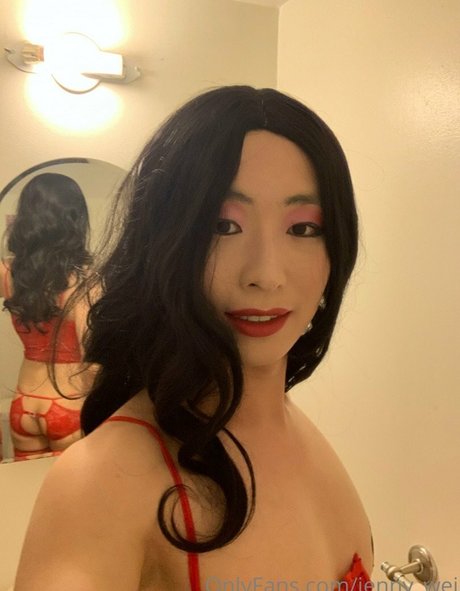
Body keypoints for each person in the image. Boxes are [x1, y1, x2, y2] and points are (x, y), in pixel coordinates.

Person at [14, 86, 374, 590]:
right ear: (164, 241)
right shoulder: (104, 483)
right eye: (223, 225)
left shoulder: (299, 432)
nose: (266, 275)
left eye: (303, 229)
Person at [0, 173, 92, 461]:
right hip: (68, 406)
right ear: (75, 220)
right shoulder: (81, 280)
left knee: (29, 486)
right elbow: (92, 359)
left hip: (24, 404)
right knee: (72, 487)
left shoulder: (8, 273)